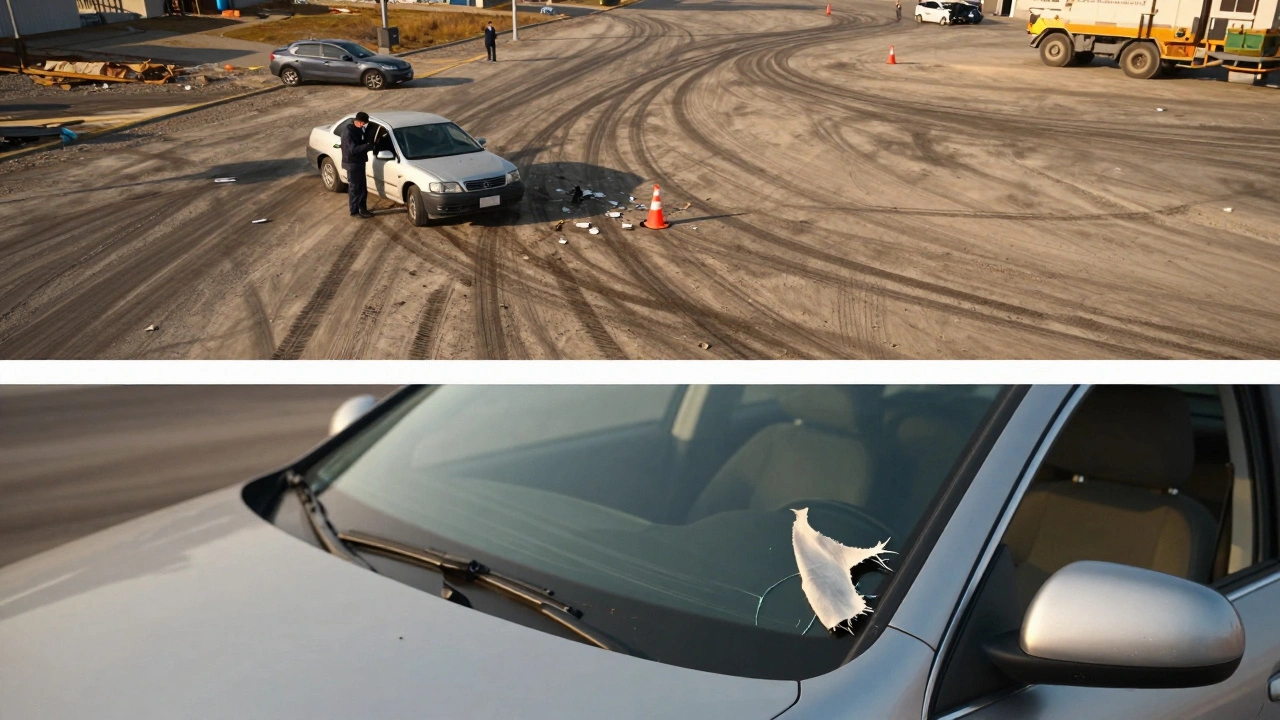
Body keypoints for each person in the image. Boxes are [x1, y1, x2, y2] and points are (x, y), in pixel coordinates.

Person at [341, 111, 376, 219]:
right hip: (353, 164)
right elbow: (353, 150)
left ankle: (361, 209)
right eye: (363, 124)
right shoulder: (349, 132)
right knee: (355, 189)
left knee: (361, 188)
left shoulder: (357, 129)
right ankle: (355, 211)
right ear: (359, 122)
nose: (364, 126)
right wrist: (367, 146)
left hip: (358, 163)